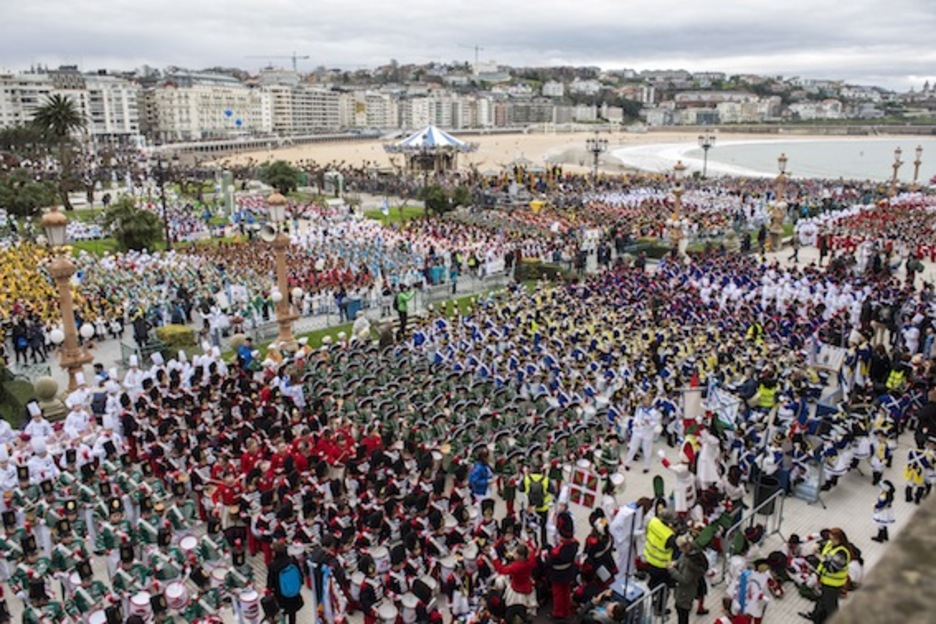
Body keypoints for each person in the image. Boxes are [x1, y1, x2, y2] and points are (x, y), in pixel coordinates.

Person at [800, 528, 851, 623]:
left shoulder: (842, 553)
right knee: (821, 600)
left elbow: (832, 569)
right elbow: (824, 543)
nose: (830, 541)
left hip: (833, 584)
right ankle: (816, 617)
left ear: (839, 540)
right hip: (825, 580)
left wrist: (819, 556)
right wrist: (818, 545)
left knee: (830, 605)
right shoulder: (831, 544)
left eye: (832, 539)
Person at [642, 508, 677, 616]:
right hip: (661, 565)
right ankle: (659, 609)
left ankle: (650, 602)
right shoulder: (669, 535)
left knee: (652, 583)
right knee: (663, 590)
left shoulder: (653, 521)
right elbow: (677, 546)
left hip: (649, 559)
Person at [668, 534, 707, 624]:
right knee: (681, 612)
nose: (679, 550)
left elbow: (685, 579)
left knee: (682, 615)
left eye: (680, 548)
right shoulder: (689, 554)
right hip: (685, 592)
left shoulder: (690, 562)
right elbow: (681, 561)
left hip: (685, 593)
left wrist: (671, 569)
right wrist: (676, 564)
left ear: (685, 547)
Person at [267, 540, 305, 624]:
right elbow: (300, 575)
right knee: (292, 613)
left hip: (280, 595)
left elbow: (270, 583)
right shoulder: (292, 560)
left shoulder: (273, 565)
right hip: (294, 593)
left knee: (282, 613)